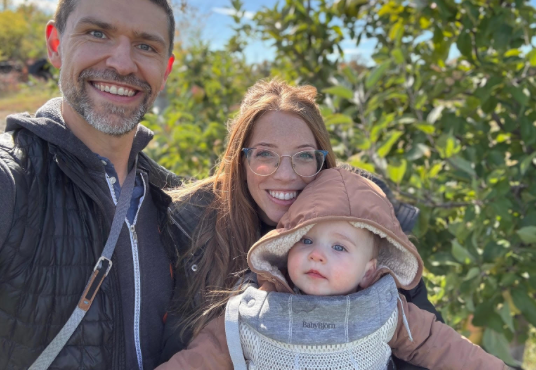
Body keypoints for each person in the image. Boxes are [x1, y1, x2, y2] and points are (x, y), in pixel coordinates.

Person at [160, 79, 442, 370]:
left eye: (304, 156)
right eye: (265, 154)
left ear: (324, 162)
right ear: (240, 161)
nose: (284, 175)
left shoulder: (366, 227)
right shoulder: (192, 231)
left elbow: (425, 349)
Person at [0, 0, 180, 369]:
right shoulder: (11, 178)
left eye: (146, 45)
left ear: (165, 70)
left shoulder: (172, 201)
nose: (121, 63)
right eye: (97, 33)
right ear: (55, 43)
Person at [158, 168, 507, 370]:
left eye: (339, 247)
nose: (317, 255)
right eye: (306, 241)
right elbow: (198, 360)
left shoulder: (387, 309)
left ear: (369, 271)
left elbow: (446, 347)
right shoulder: (256, 310)